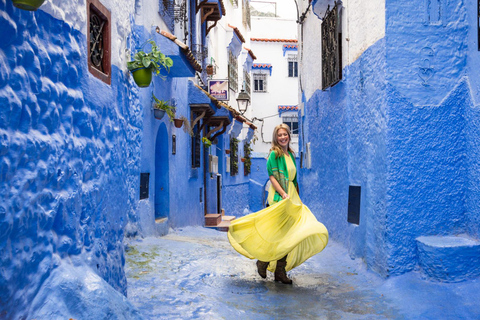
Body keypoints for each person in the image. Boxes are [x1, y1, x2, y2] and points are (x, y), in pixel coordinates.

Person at [228, 124, 329, 284]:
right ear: (276, 138)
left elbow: (293, 180)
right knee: (276, 234)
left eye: (285, 134)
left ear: (289, 136)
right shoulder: (275, 154)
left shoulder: (290, 154)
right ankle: (263, 261)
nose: (283, 137)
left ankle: (280, 271)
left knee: (288, 235)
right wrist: (283, 194)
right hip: (278, 198)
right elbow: (272, 177)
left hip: (291, 198)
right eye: (279, 135)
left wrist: (297, 198)